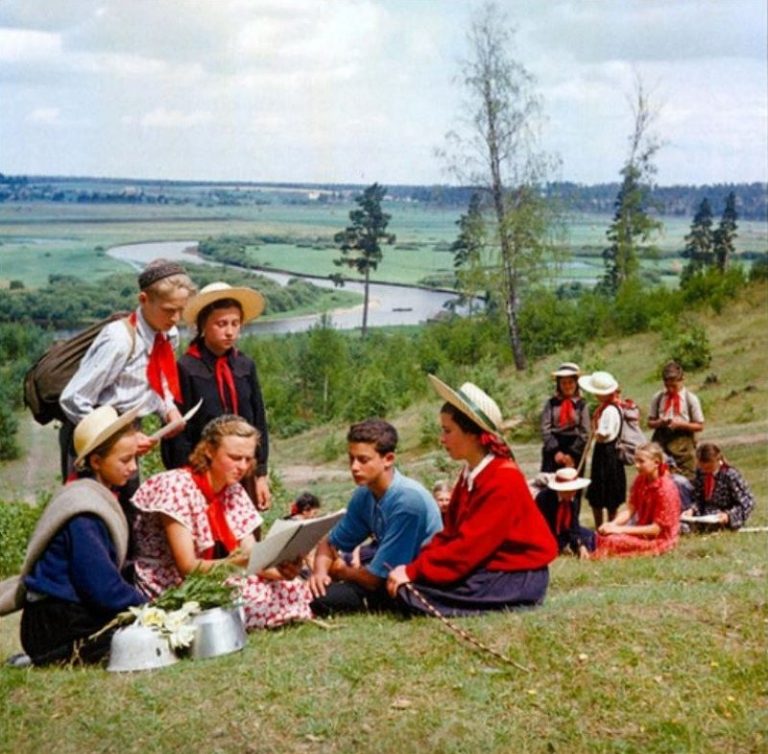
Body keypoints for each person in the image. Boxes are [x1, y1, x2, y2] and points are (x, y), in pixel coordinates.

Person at [387, 376, 558, 616]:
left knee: (410, 591)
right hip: (491, 567)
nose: (442, 439)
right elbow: (451, 534)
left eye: (448, 431)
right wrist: (417, 564)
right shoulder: (472, 474)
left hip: (517, 577)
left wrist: (413, 572)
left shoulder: (502, 478)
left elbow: (470, 547)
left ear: (472, 433)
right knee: (406, 584)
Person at [131, 415, 312, 630]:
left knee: (292, 588)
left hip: (214, 574)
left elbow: (250, 554)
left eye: (248, 459)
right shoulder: (176, 486)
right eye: (235, 458)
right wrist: (239, 563)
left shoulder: (232, 490)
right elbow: (187, 567)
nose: (242, 466)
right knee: (249, 602)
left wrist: (281, 571)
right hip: (170, 582)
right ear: (209, 450)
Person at [0, 406, 146, 665]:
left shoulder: (96, 497)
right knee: (144, 639)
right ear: (96, 462)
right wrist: (147, 605)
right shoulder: (84, 513)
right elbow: (102, 588)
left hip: (66, 616)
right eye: (125, 460)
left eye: (134, 458)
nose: (133, 468)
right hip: (57, 625)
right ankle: (48, 657)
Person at [59, 259, 197, 512]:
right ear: (144, 300)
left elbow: (157, 377)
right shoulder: (119, 339)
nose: (175, 318)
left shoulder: (168, 334)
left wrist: (168, 408)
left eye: (181, 310)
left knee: (128, 513)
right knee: (91, 510)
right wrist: (120, 436)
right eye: (169, 310)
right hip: (93, 434)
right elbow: (73, 398)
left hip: (127, 433)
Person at [308, 419, 442, 616]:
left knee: (320, 600)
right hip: (383, 576)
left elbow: (375, 579)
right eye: (351, 459)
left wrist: (340, 571)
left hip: (414, 583)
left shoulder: (408, 502)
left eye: (363, 460)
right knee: (314, 591)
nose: (354, 467)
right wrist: (319, 574)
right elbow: (329, 543)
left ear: (388, 459)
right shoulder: (365, 493)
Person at [161, 282, 272, 511]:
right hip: (203, 475)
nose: (229, 331)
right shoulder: (186, 368)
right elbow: (178, 432)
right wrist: (186, 478)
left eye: (235, 323)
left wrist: (260, 473)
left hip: (244, 470)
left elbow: (258, 420)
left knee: (246, 537)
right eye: (221, 324)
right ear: (203, 325)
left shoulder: (245, 365)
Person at [593, 442, 680, 559]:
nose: (637, 465)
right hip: (642, 531)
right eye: (636, 461)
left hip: (660, 539)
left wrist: (619, 529)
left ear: (656, 463)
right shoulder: (641, 480)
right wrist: (612, 524)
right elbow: (630, 509)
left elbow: (656, 529)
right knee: (601, 536)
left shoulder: (665, 488)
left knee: (612, 540)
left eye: (641, 461)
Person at [578, 371, 626, 529]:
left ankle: (608, 525)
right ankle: (602, 525)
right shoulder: (608, 408)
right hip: (607, 452)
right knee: (602, 491)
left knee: (606, 490)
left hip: (607, 453)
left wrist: (596, 432)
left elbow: (604, 434)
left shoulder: (609, 410)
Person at [647, 361, 704, 480]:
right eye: (667, 385)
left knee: (687, 479)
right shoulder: (658, 398)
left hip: (684, 444)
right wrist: (660, 423)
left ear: (682, 380)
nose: (671, 389)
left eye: (674, 386)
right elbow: (650, 423)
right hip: (661, 442)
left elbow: (699, 425)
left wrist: (681, 425)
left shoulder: (690, 399)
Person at [682, 442, 755, 530]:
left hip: (723, 518)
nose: (705, 471)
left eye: (709, 468)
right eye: (702, 468)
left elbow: (747, 501)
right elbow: (698, 498)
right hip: (704, 516)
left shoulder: (730, 475)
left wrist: (728, 516)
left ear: (717, 460)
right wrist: (692, 510)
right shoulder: (701, 474)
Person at [540, 362, 590, 473]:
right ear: (559, 384)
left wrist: (571, 454)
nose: (567, 386)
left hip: (575, 446)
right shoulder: (551, 403)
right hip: (554, 446)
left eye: (570, 382)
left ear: (576, 383)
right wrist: (556, 451)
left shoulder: (581, 404)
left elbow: (585, 432)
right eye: (564, 383)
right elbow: (545, 429)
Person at [535, 468, 595, 558]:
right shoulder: (544, 498)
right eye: (568, 490)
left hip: (565, 531)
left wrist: (580, 545)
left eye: (574, 490)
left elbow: (574, 526)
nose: (572, 493)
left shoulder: (573, 500)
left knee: (590, 536)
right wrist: (561, 546)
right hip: (546, 533)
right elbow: (544, 528)